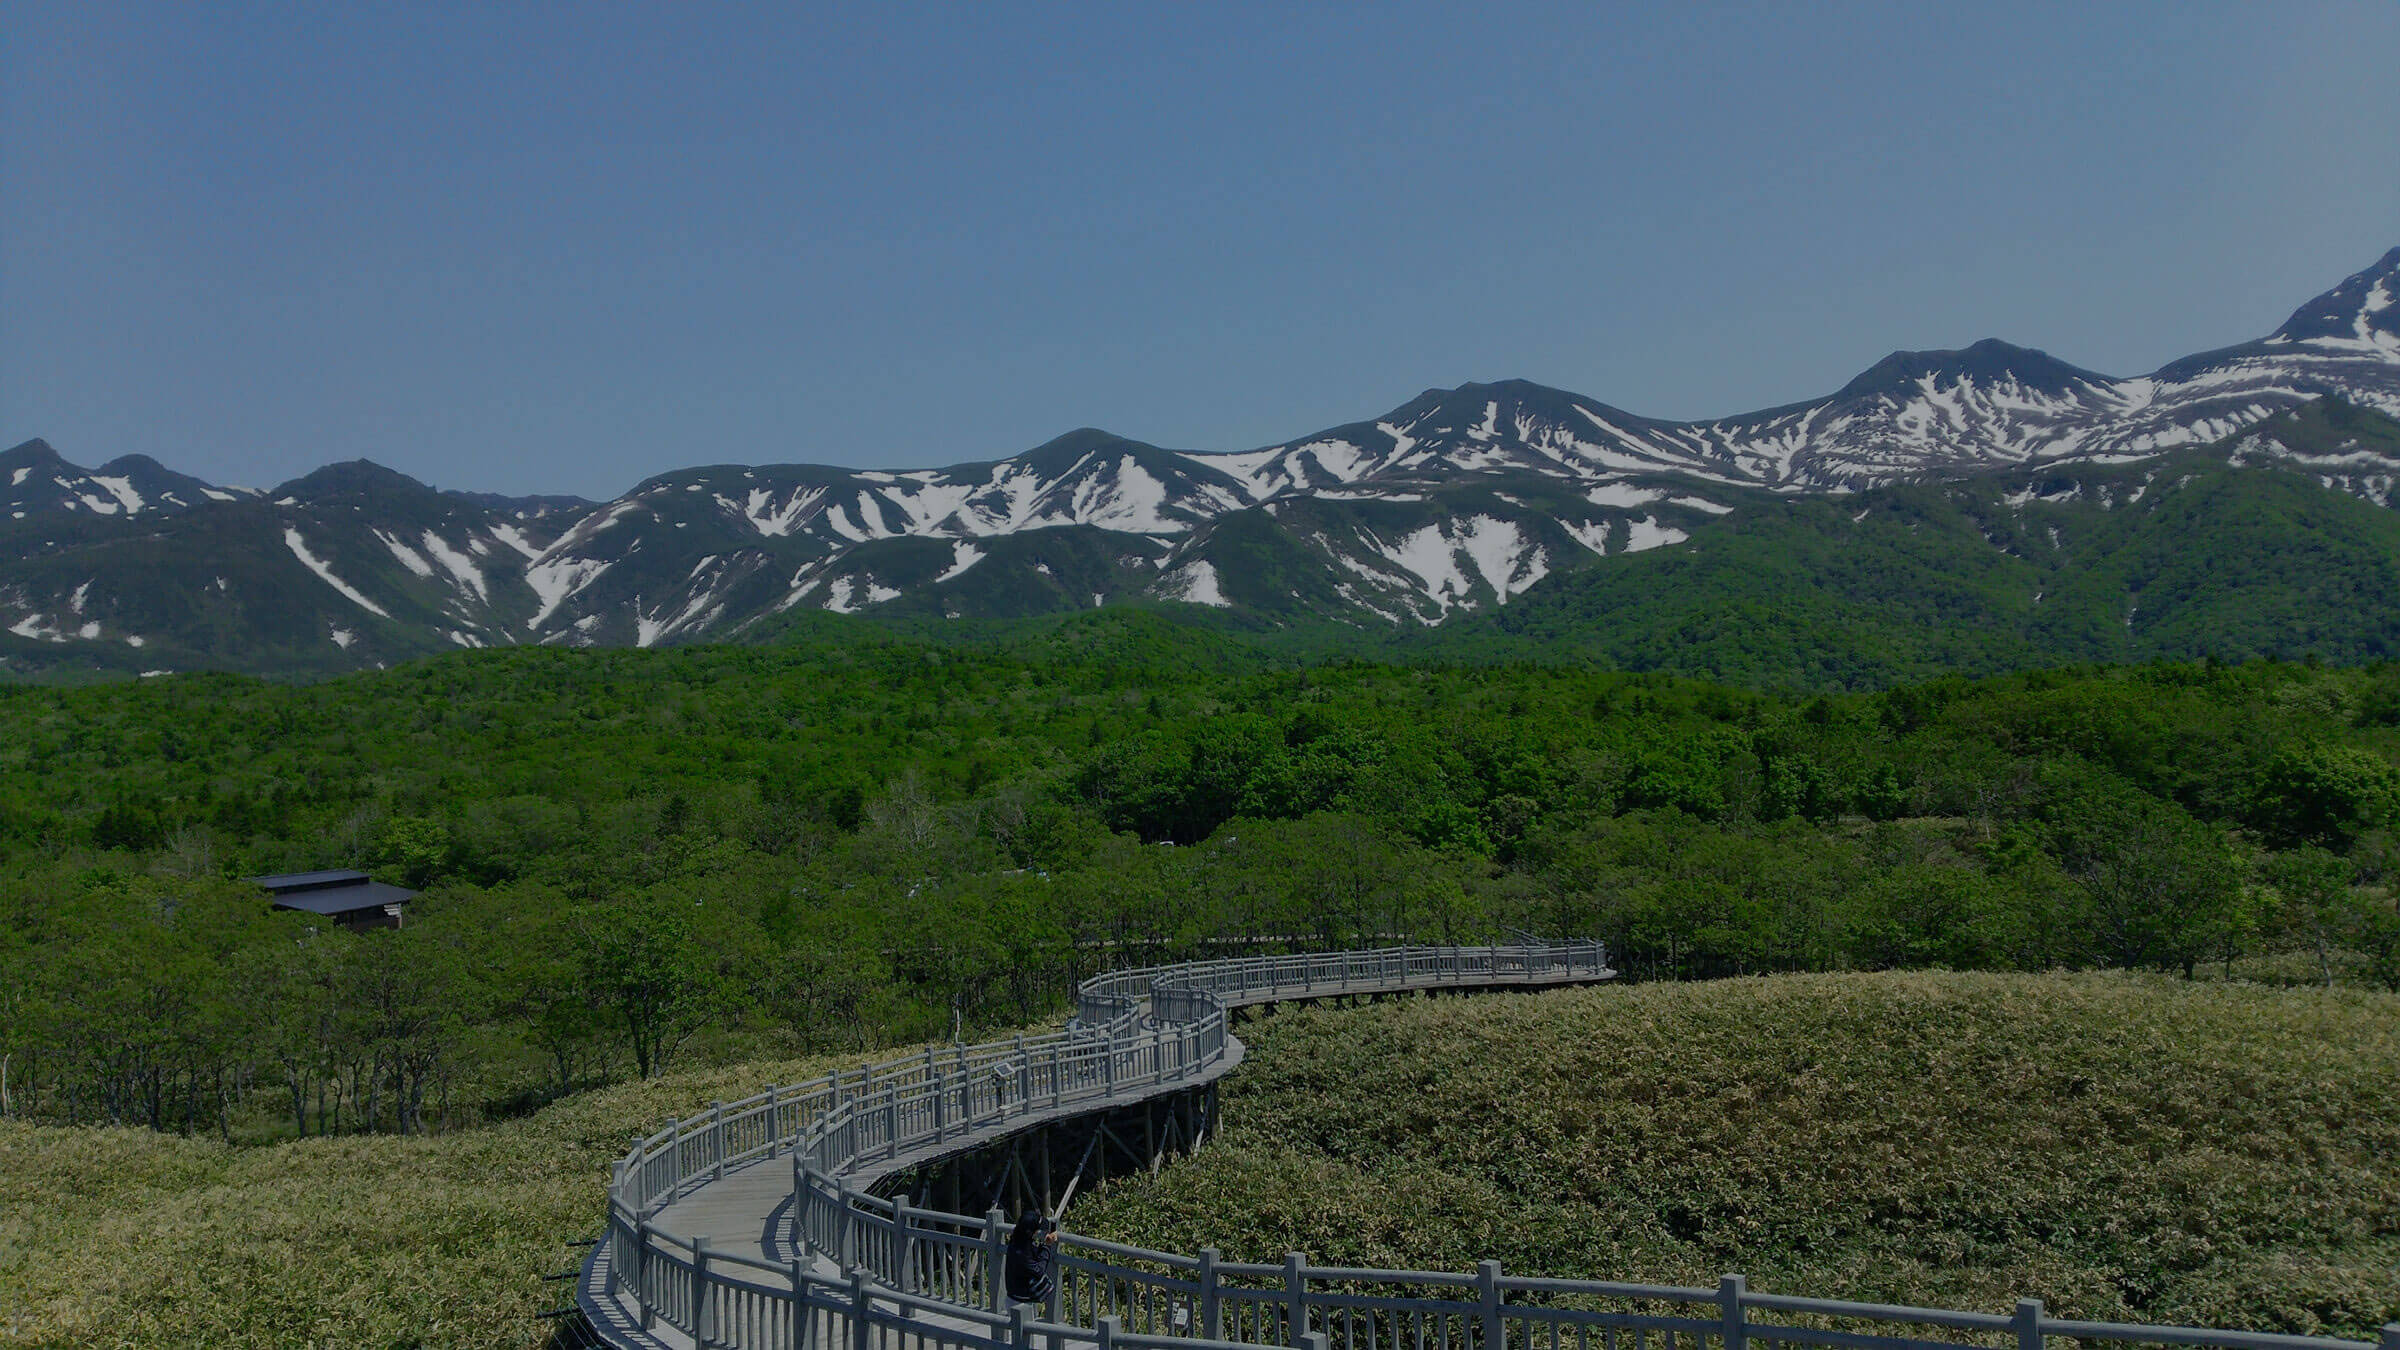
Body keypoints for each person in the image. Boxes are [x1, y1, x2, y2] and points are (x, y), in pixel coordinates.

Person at [1002, 1209, 1057, 1308]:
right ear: (1029, 1232)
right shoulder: (1022, 1251)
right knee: (1024, 1324)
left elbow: (1032, 1255)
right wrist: (1047, 1246)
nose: (1038, 1232)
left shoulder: (1017, 1239)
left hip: (1014, 1296)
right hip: (1020, 1302)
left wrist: (1043, 1245)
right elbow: (1039, 1270)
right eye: (1037, 1229)